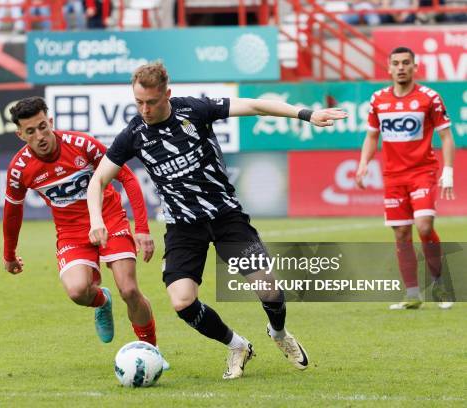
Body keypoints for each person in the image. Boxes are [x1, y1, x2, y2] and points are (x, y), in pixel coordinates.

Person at [86, 62, 348, 379]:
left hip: (225, 216)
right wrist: (95, 218)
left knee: (268, 288)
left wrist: (305, 114)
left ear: (166, 94)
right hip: (183, 226)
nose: (145, 109)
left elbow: (253, 105)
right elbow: (98, 180)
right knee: (182, 301)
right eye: (139, 102)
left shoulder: (195, 110)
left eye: (151, 102)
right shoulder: (134, 134)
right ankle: (237, 346)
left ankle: (278, 333)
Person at [2, 97, 168, 369]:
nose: (40, 136)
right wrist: (9, 254)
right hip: (71, 233)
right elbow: (12, 211)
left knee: (128, 289)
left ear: (51, 122)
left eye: (43, 126)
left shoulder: (82, 144)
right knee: (78, 291)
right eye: (30, 131)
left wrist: (142, 228)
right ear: (20, 134)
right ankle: (102, 300)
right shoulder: (20, 169)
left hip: (110, 219)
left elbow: (126, 176)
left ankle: (152, 353)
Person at [356, 46, 455, 310]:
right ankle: (412, 294)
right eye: (396, 63)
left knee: (423, 226)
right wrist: (364, 163)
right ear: (388, 68)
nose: (401, 67)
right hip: (393, 176)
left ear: (414, 67)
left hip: (423, 172)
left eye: (406, 63)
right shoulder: (378, 99)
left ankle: (440, 284)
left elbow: (446, 136)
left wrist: (448, 171)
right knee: (401, 233)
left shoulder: (429, 97)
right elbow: (372, 136)